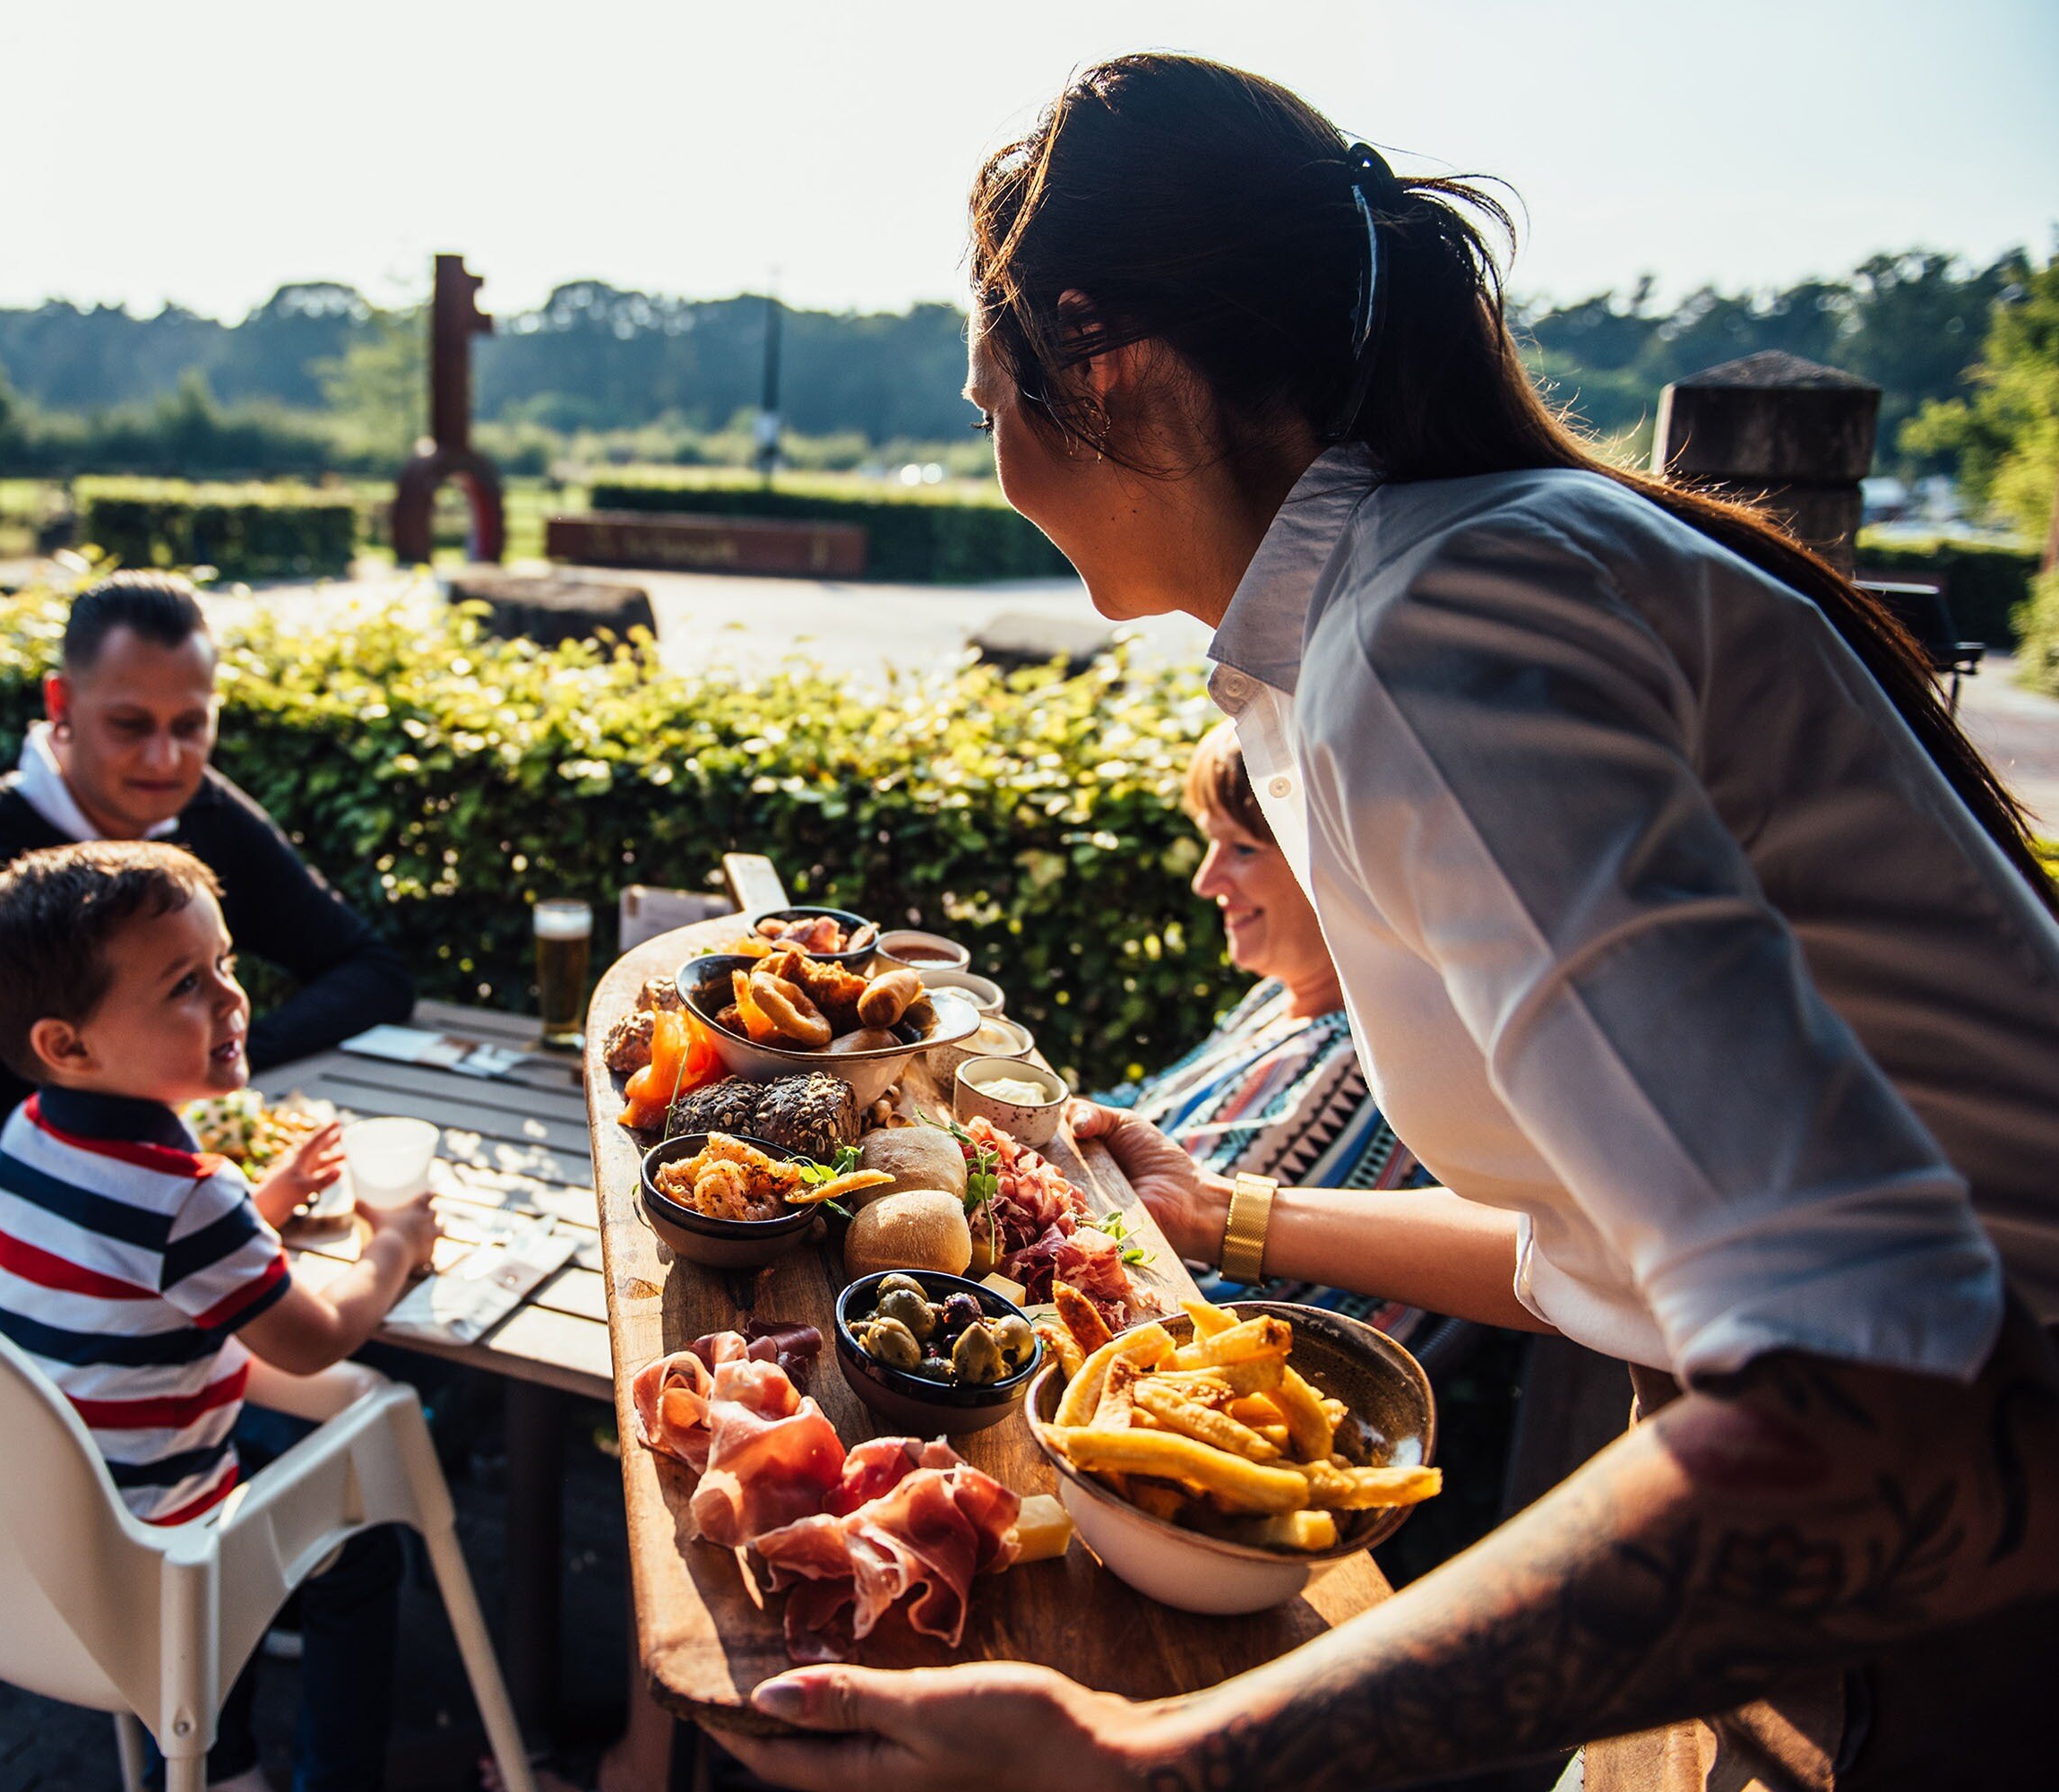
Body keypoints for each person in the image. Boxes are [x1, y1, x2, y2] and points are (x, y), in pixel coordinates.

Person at [722, 53, 2059, 1792]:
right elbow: (1630, 1234)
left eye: (989, 395)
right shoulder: (1443, 585)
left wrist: (1161, 1763)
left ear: (1097, 351)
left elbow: (1865, 1380)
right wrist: (1236, 1215)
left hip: (1963, 1619)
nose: (992, 459)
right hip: (1830, 1566)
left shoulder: (1436, 634)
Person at [0, 840, 435, 1792]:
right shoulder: (185, 1198)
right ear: (68, 1042)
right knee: (364, 1536)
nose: (230, 999)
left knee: (267, 1464)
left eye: (226, 964)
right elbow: (319, 1332)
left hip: (45, 1507)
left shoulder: (30, 1130)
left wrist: (264, 1196)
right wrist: (394, 1245)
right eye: (183, 984)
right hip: (156, 1544)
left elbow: (133, 1252)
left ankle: (220, 1754)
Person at [0, 572, 414, 1235]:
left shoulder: (205, 811)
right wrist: (126, 1119)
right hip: (19, 1262)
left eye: (191, 725)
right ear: (61, 704)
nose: (165, 759)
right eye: (130, 725)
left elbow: (373, 971)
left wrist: (214, 1060)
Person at [1085, 720, 1433, 1336]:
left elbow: (1184, 1289)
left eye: (1243, 848)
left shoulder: (1360, 1065)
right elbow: (1145, 1106)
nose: (1206, 882)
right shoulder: (1286, 995)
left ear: (1343, 871)